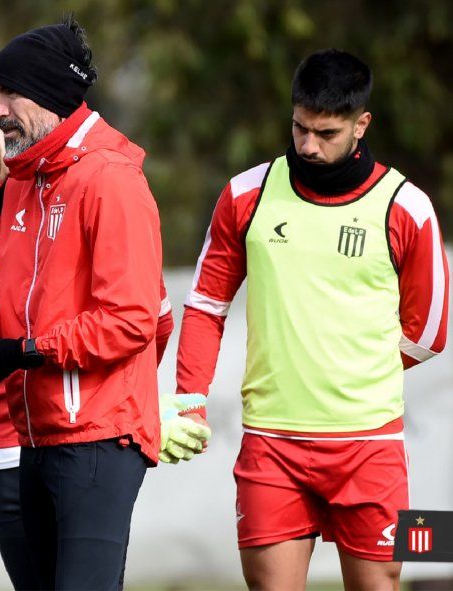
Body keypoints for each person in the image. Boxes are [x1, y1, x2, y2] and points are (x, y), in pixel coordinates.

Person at [0, 19, 206, 590]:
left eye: (4, 94)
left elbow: (132, 321)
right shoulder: (27, 181)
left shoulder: (111, 179)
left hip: (99, 437)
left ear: (43, 92)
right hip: (37, 436)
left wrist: (28, 352)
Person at [175, 49, 449, 590]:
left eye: (326, 133)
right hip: (271, 444)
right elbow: (206, 303)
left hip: (369, 446)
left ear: (361, 124)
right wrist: (190, 398)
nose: (307, 145)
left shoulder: (407, 206)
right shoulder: (246, 194)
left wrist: (347, 368)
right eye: (300, 127)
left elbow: (430, 331)